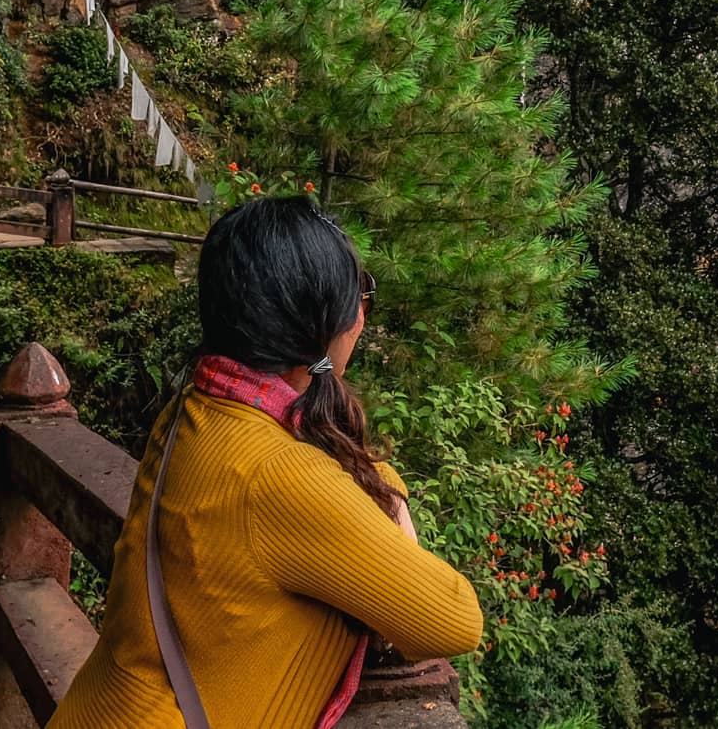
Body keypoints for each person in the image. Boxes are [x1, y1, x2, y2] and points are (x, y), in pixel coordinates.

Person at [50, 196, 483, 729]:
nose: (363, 316)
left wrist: (372, 486)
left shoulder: (194, 407)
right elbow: (454, 621)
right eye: (360, 297)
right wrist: (388, 502)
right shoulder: (282, 477)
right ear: (322, 326)